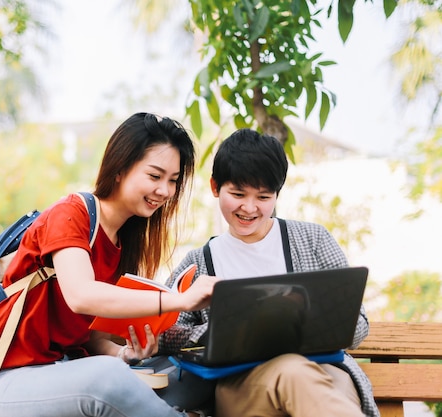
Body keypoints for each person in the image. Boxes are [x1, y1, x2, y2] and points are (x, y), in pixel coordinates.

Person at [0, 112, 217, 417]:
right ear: (120, 169)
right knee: (109, 377)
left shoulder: (123, 242)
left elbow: (92, 340)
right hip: (6, 383)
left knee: (194, 376)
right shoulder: (71, 214)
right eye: (154, 176)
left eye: (173, 181)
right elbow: (81, 295)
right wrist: (180, 300)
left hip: (65, 376)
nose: (164, 190)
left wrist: (125, 353)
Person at [159, 128, 379, 417]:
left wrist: (305, 321)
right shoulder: (198, 262)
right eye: (237, 194)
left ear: (277, 194)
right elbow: (163, 330)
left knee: (300, 372)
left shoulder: (313, 240)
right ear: (215, 187)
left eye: (263, 197)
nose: (249, 208)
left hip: (325, 373)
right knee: (291, 371)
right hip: (242, 387)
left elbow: (358, 323)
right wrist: (223, 331)